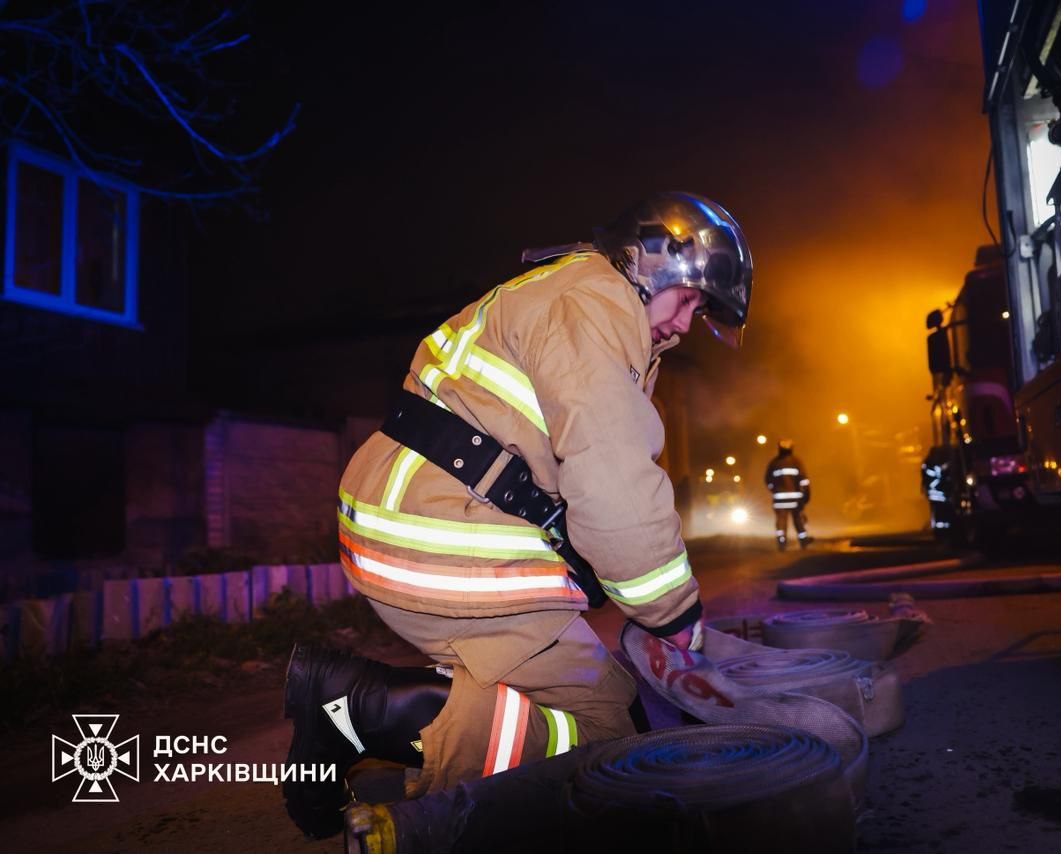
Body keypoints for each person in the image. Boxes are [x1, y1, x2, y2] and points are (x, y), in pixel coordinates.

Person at [281, 192, 753, 838]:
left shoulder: (574, 296)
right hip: (440, 535)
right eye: (693, 300)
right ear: (652, 263)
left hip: (427, 520)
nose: (688, 323)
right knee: (607, 730)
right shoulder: (595, 306)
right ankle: (363, 710)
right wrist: (674, 616)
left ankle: (371, 708)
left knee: (590, 697)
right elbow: (613, 480)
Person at [765, 438, 811, 550]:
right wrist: (806, 494)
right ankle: (803, 541)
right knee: (798, 520)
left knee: (781, 521)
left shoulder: (774, 462)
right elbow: (804, 480)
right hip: (795, 499)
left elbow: (767, 479)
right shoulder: (796, 462)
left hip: (779, 499)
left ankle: (781, 541)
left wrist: (774, 490)